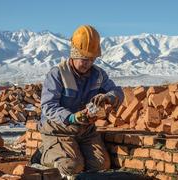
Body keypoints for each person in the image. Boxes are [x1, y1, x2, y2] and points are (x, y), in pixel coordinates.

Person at [35, 25, 124, 178]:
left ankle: (74, 152)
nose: (87, 63)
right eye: (84, 59)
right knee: (71, 166)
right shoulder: (58, 74)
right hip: (59, 129)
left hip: (85, 131)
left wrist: (108, 97)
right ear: (74, 54)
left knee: (101, 165)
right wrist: (71, 117)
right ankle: (44, 154)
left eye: (91, 59)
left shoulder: (98, 75)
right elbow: (48, 106)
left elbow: (117, 91)